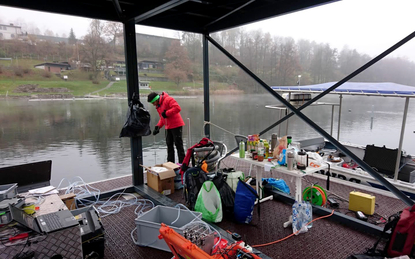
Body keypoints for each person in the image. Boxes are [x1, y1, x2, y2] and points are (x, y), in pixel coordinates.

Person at [148, 92, 185, 163]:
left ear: (156, 99)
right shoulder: (158, 106)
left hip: (176, 125)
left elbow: (177, 108)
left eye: (153, 102)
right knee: (169, 145)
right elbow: (162, 118)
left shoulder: (168, 99)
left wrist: (167, 113)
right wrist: (158, 126)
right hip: (168, 126)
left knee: (178, 145)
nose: (153, 104)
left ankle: (182, 163)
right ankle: (170, 163)